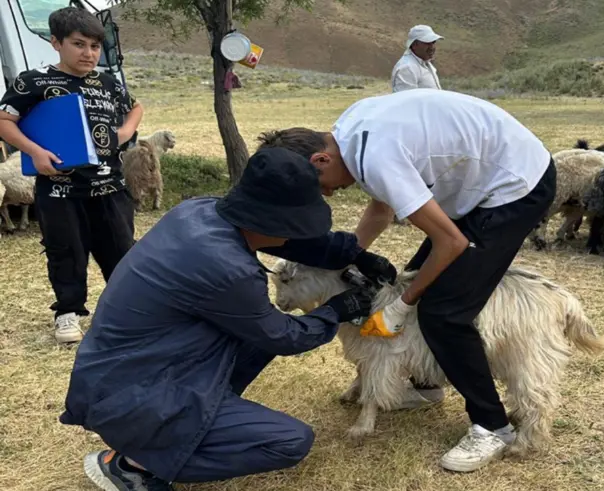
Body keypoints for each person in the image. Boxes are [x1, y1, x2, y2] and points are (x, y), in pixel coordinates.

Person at [59, 146, 397, 490]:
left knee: (257, 338)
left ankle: (195, 420)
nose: (302, 233)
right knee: (289, 440)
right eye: (300, 224)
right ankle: (136, 464)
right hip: (132, 394)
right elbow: (285, 337)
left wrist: (354, 254)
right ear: (275, 222)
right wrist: (336, 310)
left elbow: (290, 245)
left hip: (122, 370)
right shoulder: (229, 269)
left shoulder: (199, 211)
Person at [255, 88, 557, 473]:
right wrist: (346, 258)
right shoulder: (349, 130)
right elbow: (380, 211)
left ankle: (492, 425)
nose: (328, 193)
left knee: (442, 312)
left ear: (320, 158)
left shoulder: (375, 156)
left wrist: (403, 304)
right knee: (412, 280)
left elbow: (451, 243)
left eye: (320, 186)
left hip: (515, 186)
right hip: (480, 180)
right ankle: (427, 385)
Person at [0, 7, 144, 344]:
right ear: (56, 42)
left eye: (95, 46)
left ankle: (128, 312)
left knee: (122, 251)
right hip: (60, 190)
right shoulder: (33, 82)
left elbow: (135, 108)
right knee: (66, 251)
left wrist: (123, 133)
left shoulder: (107, 82)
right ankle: (68, 313)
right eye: (79, 44)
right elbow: (4, 121)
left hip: (110, 187)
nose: (88, 54)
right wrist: (35, 152)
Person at [391, 25, 444, 92]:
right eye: (427, 43)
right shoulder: (407, 68)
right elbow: (407, 100)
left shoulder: (424, 63)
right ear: (414, 45)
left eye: (433, 42)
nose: (432, 47)